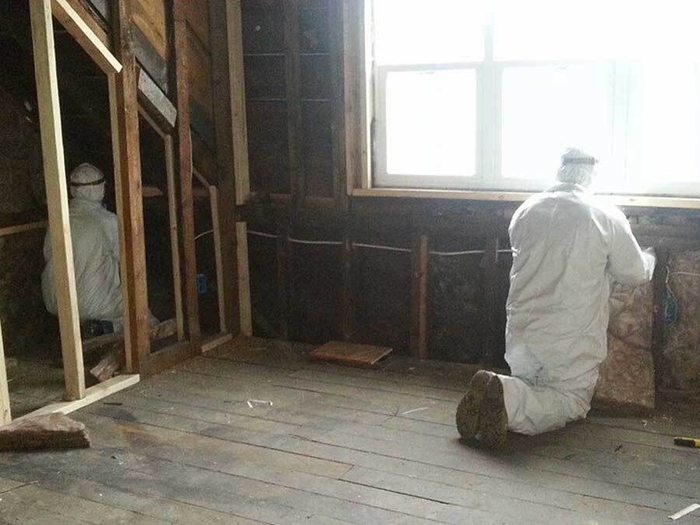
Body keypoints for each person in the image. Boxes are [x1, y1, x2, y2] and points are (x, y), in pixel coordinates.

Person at [456, 148, 656, 447]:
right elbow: (634, 272)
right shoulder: (603, 214)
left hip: (521, 328)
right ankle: (507, 401)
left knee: (531, 382)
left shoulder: (527, 209)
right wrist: (650, 258)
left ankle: (503, 389)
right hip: (568, 335)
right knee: (571, 400)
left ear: (560, 171)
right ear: (593, 175)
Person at [41, 163, 125, 336]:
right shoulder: (108, 221)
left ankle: (85, 329)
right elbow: (127, 261)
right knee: (141, 315)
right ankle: (104, 328)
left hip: (57, 303)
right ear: (98, 188)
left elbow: (47, 255)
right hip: (93, 305)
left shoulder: (57, 220)